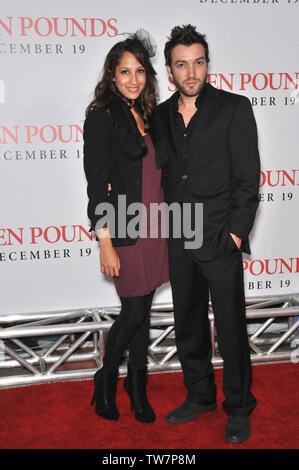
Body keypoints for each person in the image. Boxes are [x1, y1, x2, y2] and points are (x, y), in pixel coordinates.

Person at [151, 25, 260, 443]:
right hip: (179, 234)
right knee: (188, 322)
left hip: (218, 235)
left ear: (207, 64)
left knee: (230, 325)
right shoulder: (159, 116)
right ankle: (199, 396)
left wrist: (235, 234)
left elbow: (248, 179)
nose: (191, 71)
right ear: (170, 70)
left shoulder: (234, 108)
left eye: (198, 62)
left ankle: (238, 406)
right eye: (182, 64)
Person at [83, 31, 169, 424]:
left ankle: (137, 387)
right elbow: (97, 184)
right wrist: (105, 241)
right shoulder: (101, 118)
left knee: (143, 309)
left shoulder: (149, 114)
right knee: (134, 309)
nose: (133, 80)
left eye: (139, 72)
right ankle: (105, 378)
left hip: (158, 226)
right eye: (124, 72)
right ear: (112, 76)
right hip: (126, 227)